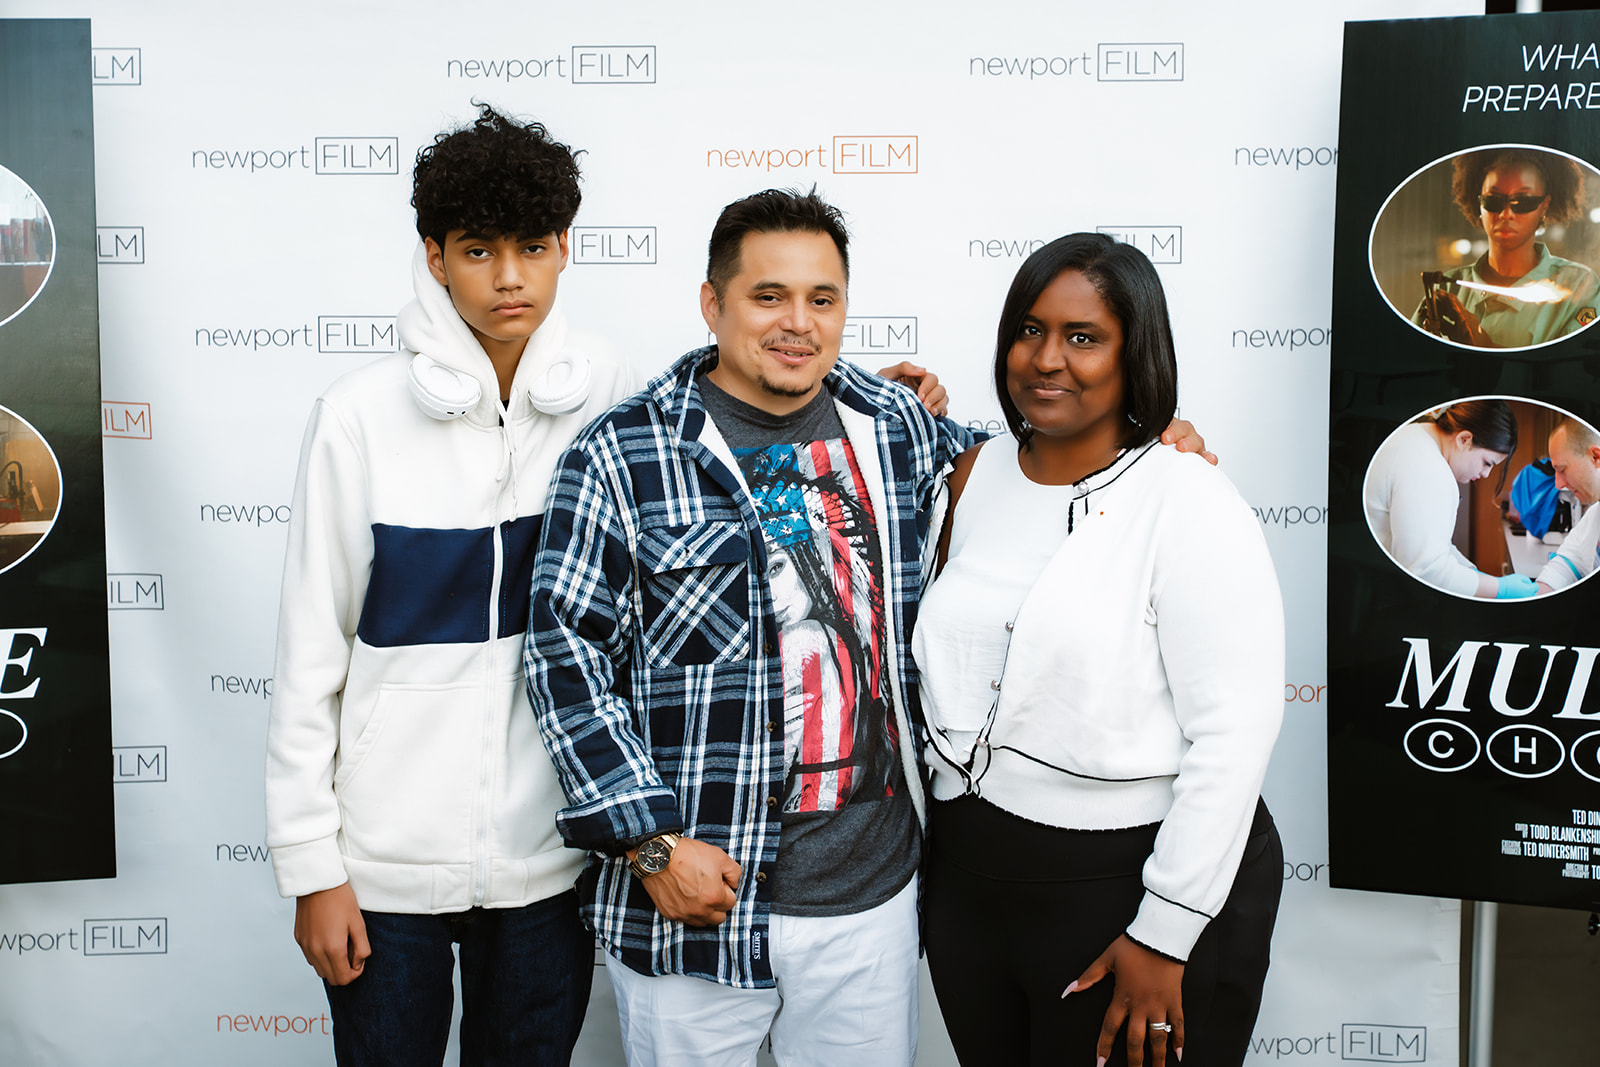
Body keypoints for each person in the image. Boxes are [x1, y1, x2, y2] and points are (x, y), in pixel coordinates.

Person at [526, 192, 1209, 1066]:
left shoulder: (894, 425)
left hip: (873, 904)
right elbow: (566, 659)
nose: (798, 322)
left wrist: (1145, 445)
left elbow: (1036, 464)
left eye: (822, 298)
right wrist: (648, 844)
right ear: (712, 303)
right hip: (695, 902)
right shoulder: (622, 453)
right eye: (768, 296)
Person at [263, 104, 636, 1066]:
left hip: (551, 861)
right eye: (478, 250)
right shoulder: (356, 417)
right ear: (434, 257)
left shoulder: (609, 395)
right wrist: (312, 870)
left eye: (532, 247)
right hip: (382, 873)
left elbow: (740, 411)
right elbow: (309, 657)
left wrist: (874, 398)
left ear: (564, 249)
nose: (509, 277)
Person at [914, 233, 1282, 1067]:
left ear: (1134, 351)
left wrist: (1167, 932)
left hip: (1126, 887)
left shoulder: (1187, 495)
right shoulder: (968, 474)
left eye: (1083, 337)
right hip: (970, 884)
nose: (1048, 358)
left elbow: (1234, 732)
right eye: (1030, 330)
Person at [1414, 147, 1599, 348]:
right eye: (1493, 201)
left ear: (1545, 205)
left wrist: (1480, 341)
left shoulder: (1579, 286)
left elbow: (1573, 363)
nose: (1506, 214)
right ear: (1479, 203)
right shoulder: (1446, 288)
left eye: (1523, 202)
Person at [1364, 400, 1534, 599]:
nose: (1486, 474)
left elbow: (1435, 545)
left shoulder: (1416, 437)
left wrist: (1472, 574)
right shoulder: (1429, 469)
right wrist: (1499, 588)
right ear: (1464, 439)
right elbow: (1426, 570)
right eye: (1486, 463)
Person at [1536, 416, 1600, 594]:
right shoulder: (1594, 515)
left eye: (1562, 470)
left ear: (1596, 457)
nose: (1558, 484)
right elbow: (1565, 565)